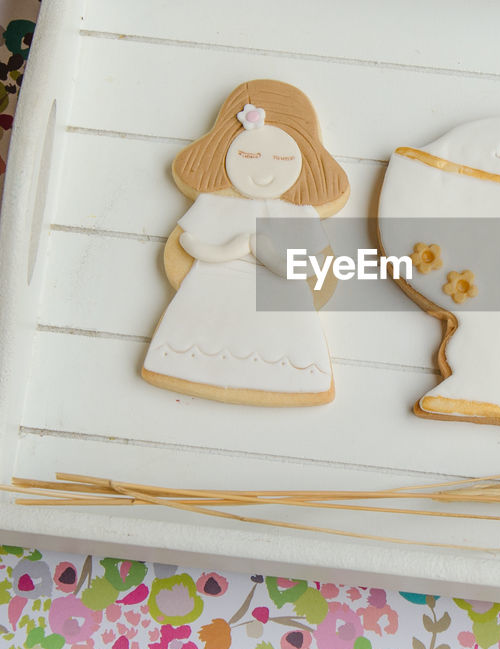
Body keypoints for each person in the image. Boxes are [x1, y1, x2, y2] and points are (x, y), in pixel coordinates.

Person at [141, 80, 349, 405]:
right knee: (202, 338)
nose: (263, 170)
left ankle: (283, 380)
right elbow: (187, 245)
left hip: (279, 303)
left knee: (276, 346)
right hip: (212, 292)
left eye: (281, 159)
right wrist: (225, 250)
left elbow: (312, 267)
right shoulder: (215, 204)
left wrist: (260, 249)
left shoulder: (298, 215)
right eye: (249, 155)